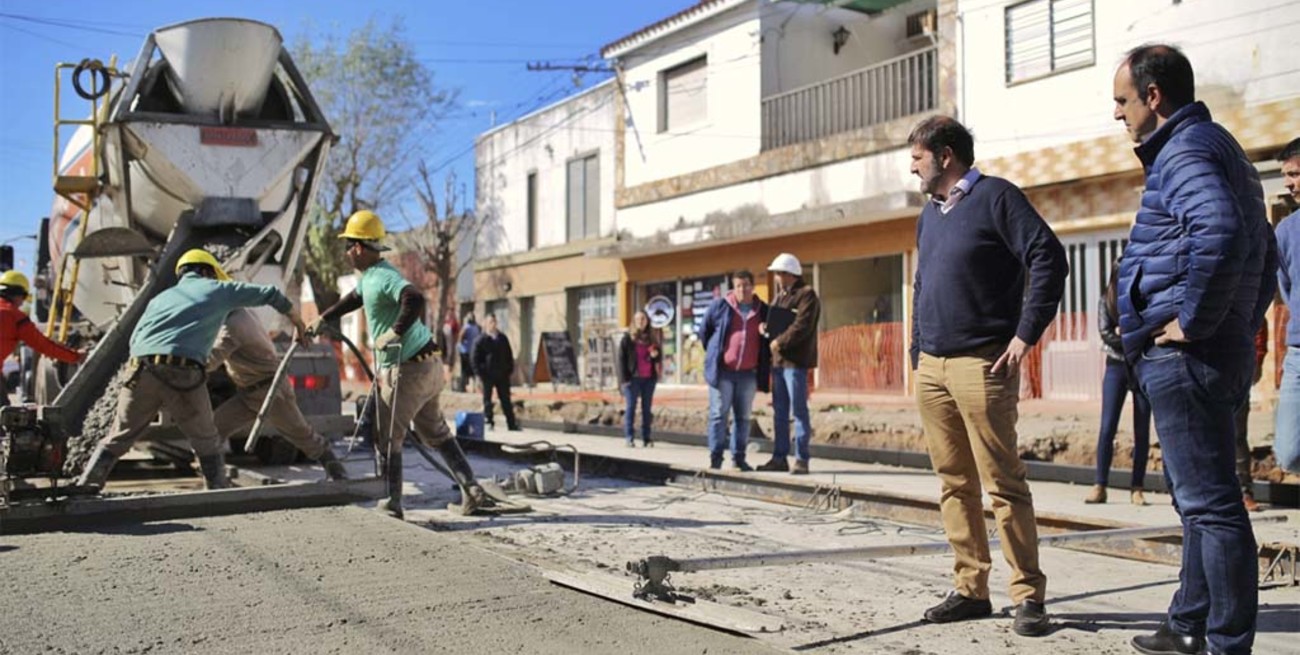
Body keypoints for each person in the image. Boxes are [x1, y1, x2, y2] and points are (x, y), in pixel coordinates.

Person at [1112, 44, 1275, 655]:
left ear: (1154, 96)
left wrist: (1195, 321)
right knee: (1199, 503)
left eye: (1123, 102)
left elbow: (1223, 231)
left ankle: (1226, 643)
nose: (1119, 116)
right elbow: (1264, 253)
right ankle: (1188, 623)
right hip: (1216, 350)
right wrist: (1236, 322)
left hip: (1188, 356)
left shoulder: (1184, 150)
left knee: (1212, 509)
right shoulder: (1220, 146)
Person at [908, 115, 1068, 637]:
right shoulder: (929, 215)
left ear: (946, 155)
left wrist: (1025, 334)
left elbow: (1048, 257)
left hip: (984, 363)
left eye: (917, 157)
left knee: (1002, 483)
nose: (912, 167)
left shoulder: (998, 197)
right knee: (954, 483)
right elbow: (921, 283)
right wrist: (916, 352)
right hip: (932, 368)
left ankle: (1028, 595)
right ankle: (971, 588)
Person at [77, 249, 309, 490]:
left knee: (119, 435)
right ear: (208, 272)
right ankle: (216, 491)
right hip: (183, 373)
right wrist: (298, 322)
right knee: (206, 439)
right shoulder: (217, 289)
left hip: (139, 370)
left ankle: (86, 485)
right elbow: (270, 294)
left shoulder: (159, 299)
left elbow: (134, 340)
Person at [313, 210, 493, 518]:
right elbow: (356, 299)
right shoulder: (372, 277)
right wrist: (323, 319)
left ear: (358, 247)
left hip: (408, 368)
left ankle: (392, 502)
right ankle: (472, 490)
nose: (345, 252)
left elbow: (415, 298)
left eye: (348, 246)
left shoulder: (384, 276)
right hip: (429, 365)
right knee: (435, 430)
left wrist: (394, 333)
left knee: (386, 435)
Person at [207, 307, 347, 481]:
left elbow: (211, 360)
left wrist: (183, 363)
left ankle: (335, 469)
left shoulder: (233, 325)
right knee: (212, 431)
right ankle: (214, 479)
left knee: (300, 433)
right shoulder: (242, 313)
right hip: (249, 393)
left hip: (270, 392)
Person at [1086, 259, 1151, 506]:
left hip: (1141, 365)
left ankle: (1137, 487)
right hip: (1115, 366)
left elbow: (1149, 329)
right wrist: (1131, 337)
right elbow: (1106, 333)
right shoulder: (1107, 300)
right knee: (1107, 426)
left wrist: (1127, 334)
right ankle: (1099, 485)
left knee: (1142, 428)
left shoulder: (1143, 299)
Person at [700, 270, 770, 471]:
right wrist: (716, 355)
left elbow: (770, 334)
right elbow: (705, 332)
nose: (742, 289)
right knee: (718, 415)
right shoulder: (720, 306)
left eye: (746, 285)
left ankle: (739, 459)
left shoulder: (762, 310)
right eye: (738, 285)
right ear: (733, 287)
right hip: (723, 372)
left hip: (748, 373)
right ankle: (716, 458)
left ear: (752, 286)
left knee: (743, 418)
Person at [757, 253, 820, 475]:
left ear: (789, 274)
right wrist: (765, 330)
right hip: (779, 363)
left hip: (795, 363)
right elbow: (776, 322)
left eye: (779, 273)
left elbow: (801, 326)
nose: (776, 277)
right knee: (780, 412)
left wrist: (779, 342)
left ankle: (802, 459)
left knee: (799, 411)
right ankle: (780, 456)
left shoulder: (807, 295)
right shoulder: (779, 297)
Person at [0, 270, 82, 405]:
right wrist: (76, 356)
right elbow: (43, 345)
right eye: (23, 297)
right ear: (18, 294)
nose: (21, 303)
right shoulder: (14, 316)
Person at [1274, 137, 1300, 477]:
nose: (1289, 183)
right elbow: (1286, 289)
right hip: (1298, 354)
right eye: (1286, 176)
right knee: (1289, 452)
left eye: (1295, 174)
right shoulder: (1286, 231)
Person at [1234, 324, 1268, 512]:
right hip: (1206, 367)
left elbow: (1259, 325)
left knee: (1237, 435)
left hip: (1238, 371)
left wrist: (1257, 360)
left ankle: (1245, 491)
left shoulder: (1245, 294)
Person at [618, 310, 661, 447]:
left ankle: (646, 438)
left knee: (646, 409)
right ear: (634, 321)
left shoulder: (651, 338)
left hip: (649, 378)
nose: (641, 322)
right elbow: (621, 359)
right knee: (631, 408)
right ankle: (629, 437)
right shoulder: (627, 338)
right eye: (638, 319)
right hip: (632, 379)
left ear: (647, 321)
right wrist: (624, 379)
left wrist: (656, 355)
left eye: (643, 319)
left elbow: (658, 356)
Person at [472, 313, 520, 431]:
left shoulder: (502, 338)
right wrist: (480, 373)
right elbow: (474, 358)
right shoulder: (481, 340)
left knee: (505, 399)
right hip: (487, 375)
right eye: (490, 322)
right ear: (485, 324)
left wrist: (509, 369)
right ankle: (489, 421)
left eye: (494, 322)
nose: (492, 325)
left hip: (502, 374)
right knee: (487, 399)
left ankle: (511, 423)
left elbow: (509, 355)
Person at [458, 312, 480, 392]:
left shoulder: (466, 327)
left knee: (464, 370)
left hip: (465, 351)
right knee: (473, 370)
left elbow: (460, 338)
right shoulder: (477, 328)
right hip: (473, 351)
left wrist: (460, 345)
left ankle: (462, 387)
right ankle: (473, 387)